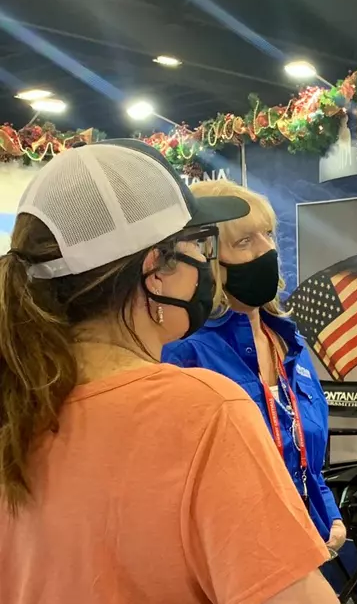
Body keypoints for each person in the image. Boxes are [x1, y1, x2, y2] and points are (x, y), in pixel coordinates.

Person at [0, 140, 339, 604]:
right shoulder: (204, 409)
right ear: (155, 269)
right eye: (200, 246)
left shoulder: (17, 399)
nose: (206, 264)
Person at [163, 180, 347, 558]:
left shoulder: (288, 342)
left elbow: (304, 454)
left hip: (304, 547)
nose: (267, 250)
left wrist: (330, 516)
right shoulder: (183, 352)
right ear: (206, 257)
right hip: (232, 561)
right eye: (244, 242)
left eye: (267, 235)